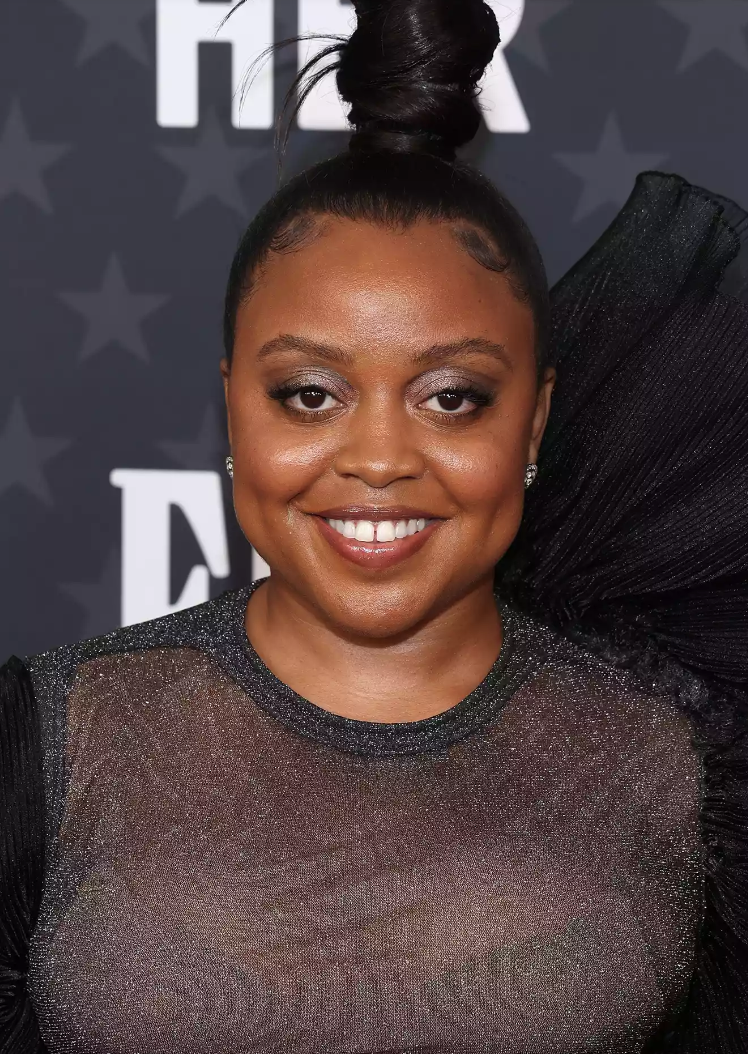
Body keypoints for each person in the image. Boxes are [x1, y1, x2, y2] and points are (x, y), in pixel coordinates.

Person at [2, 1, 747, 1051]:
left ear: (534, 420)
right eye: (310, 394)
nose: (381, 457)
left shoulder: (672, 764)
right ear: (233, 405)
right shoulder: (47, 741)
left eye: (453, 398)